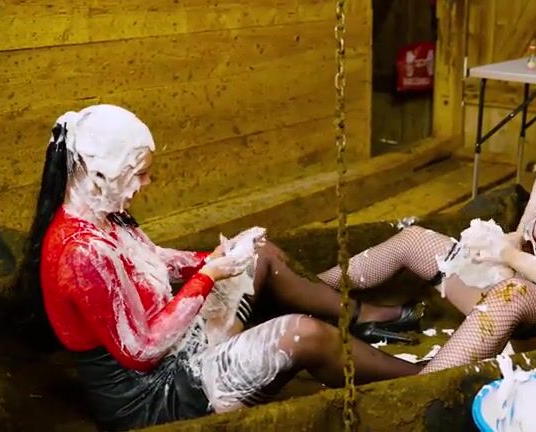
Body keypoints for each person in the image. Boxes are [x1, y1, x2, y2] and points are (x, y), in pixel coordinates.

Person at [23, 104, 421, 431]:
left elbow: (153, 258)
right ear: (99, 175)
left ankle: (358, 316)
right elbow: (141, 351)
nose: (148, 182)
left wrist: (213, 258)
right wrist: (207, 277)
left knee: (257, 252)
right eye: (140, 173)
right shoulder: (81, 254)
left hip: (174, 352)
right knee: (303, 334)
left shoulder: (103, 214)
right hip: (153, 398)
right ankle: (420, 379)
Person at [316, 75, 536, 374]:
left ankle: (421, 389)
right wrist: (489, 244)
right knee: (415, 240)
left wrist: (509, 257)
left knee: (516, 292)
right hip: (519, 299)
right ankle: (305, 292)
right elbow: (521, 239)